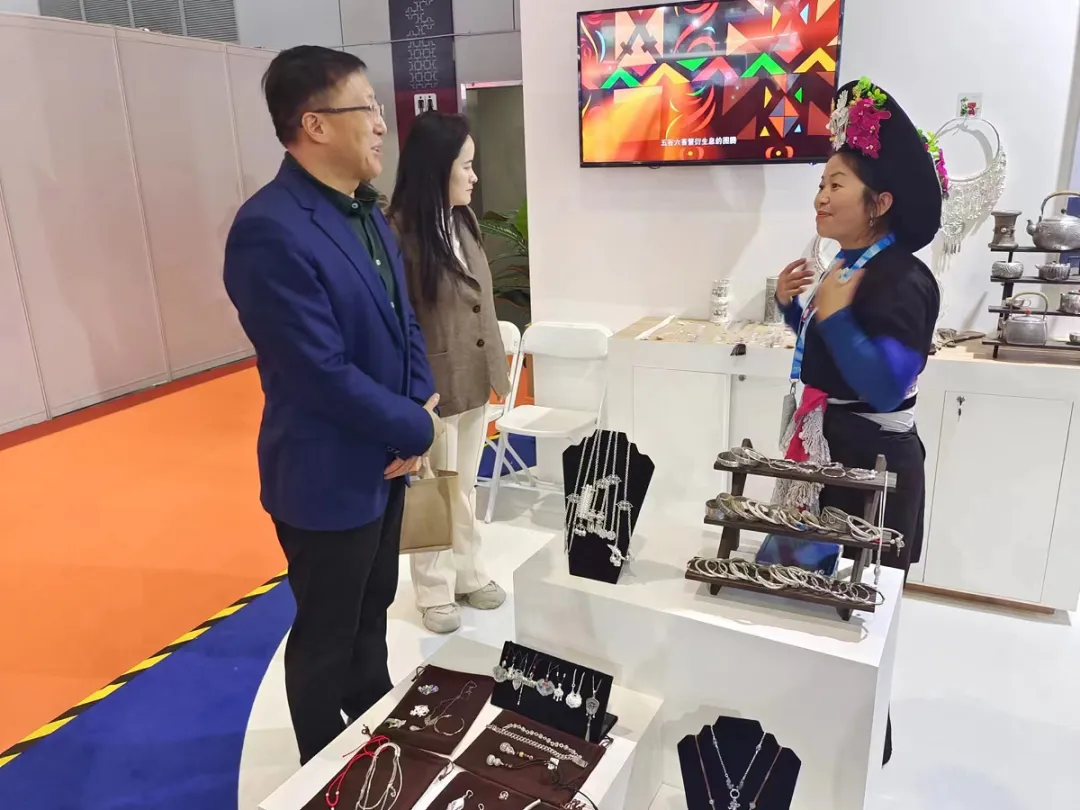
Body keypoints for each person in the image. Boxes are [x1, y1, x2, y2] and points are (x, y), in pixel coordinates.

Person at [223, 45, 443, 765]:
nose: (382, 124)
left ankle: (375, 722)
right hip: (325, 473)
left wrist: (416, 412)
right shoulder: (270, 229)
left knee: (374, 607)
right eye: (367, 109)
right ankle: (324, 769)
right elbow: (317, 372)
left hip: (387, 458)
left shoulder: (366, 211)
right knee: (325, 632)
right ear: (314, 125)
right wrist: (413, 426)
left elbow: (405, 323)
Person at [773, 77, 947, 764]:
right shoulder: (847, 266)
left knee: (859, 617)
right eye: (821, 183)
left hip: (872, 476)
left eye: (837, 184)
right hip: (832, 458)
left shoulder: (903, 277)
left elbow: (885, 384)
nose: (821, 196)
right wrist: (794, 308)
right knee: (809, 600)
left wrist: (837, 317)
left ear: (880, 202)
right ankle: (811, 730)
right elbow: (829, 358)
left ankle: (859, 745)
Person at [388, 112, 510, 634]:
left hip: (473, 377)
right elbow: (400, 323)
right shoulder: (400, 233)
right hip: (432, 389)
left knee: (464, 488)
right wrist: (409, 395)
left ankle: (469, 573)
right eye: (466, 166)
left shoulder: (463, 221)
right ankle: (433, 590)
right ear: (438, 168)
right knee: (433, 489)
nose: (474, 177)